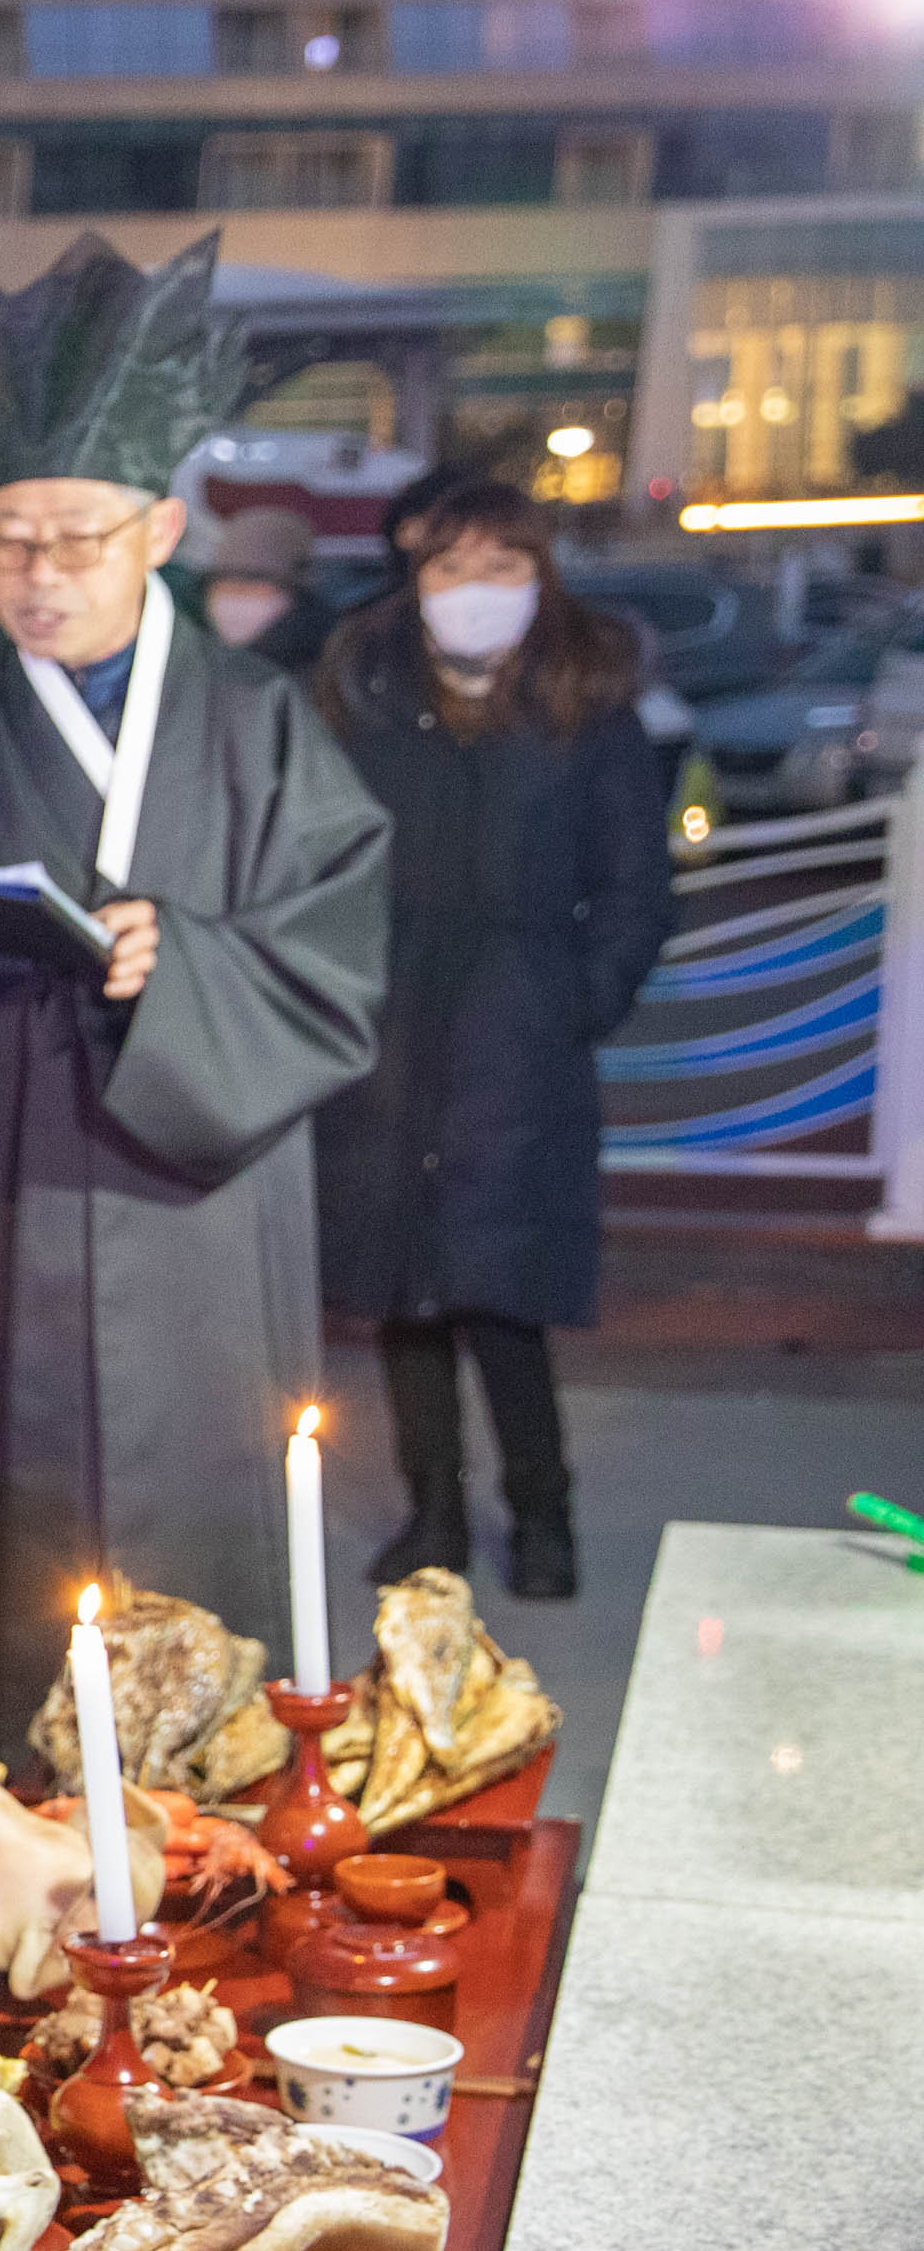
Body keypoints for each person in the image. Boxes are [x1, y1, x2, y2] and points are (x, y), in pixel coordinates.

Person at [0, 232, 391, 1755]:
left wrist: (193, 960)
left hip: (200, 1202)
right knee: (9, 1548)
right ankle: (9, 1814)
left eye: (74, 540)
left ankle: (220, 1800)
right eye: (7, 541)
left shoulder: (259, 723)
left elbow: (335, 949)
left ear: (159, 526)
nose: (35, 577)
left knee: (208, 1527)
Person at [310, 476, 672, 1605]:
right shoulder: (365, 700)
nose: (476, 589)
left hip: (518, 1035)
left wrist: (580, 997)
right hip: (389, 1029)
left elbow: (635, 884)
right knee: (403, 1291)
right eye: (452, 567)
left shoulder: (586, 712)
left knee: (503, 1289)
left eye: (502, 567)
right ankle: (433, 1514)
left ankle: (542, 1511)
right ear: (415, 581)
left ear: (539, 578)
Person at [197, 504, 329, 677]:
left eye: (255, 587)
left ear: (296, 594)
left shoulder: (326, 668)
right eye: (224, 587)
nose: (237, 600)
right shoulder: (191, 663)